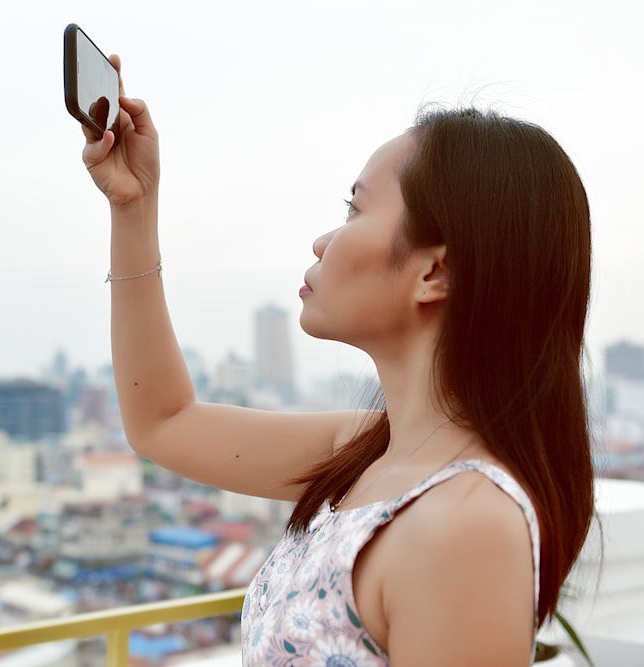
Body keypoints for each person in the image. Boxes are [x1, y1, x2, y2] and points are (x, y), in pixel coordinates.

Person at [79, 55, 594, 666]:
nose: (324, 240)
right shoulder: (372, 452)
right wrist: (133, 207)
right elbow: (163, 422)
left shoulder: (467, 526)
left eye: (354, 209)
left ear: (435, 270)